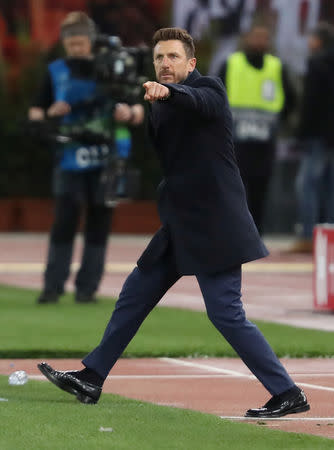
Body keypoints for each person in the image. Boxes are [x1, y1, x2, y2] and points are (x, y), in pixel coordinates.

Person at [37, 27, 309, 418]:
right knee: (135, 294)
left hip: (215, 223)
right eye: (160, 57)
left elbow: (198, 101)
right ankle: (92, 375)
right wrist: (136, 109)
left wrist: (172, 92)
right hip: (181, 221)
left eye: (174, 57)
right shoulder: (156, 101)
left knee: (225, 313)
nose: (165, 63)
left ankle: (287, 393)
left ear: (191, 63)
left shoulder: (210, 88)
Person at [28, 12, 144, 304]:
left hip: (107, 157)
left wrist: (128, 113)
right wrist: (47, 117)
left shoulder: (113, 68)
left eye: (82, 43)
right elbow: (36, 109)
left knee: (99, 222)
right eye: (72, 43)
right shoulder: (55, 71)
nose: (77, 49)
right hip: (69, 156)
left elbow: (139, 108)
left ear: (91, 41)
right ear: (65, 43)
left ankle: (87, 288)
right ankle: (52, 286)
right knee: (64, 221)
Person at [218, 21, 295, 234]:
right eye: (256, 36)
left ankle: (255, 233)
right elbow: (216, 96)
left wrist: (277, 120)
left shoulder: (276, 67)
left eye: (264, 37)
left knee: (261, 188)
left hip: (264, 142)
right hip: (235, 141)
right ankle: (235, 231)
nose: (260, 41)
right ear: (247, 39)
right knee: (236, 187)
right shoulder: (232, 64)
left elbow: (290, 98)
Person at [288, 22, 334, 253]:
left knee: (306, 185)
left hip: (317, 135)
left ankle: (308, 236)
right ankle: (330, 238)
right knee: (329, 187)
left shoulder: (317, 63)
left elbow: (311, 104)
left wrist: (300, 135)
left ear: (318, 40)